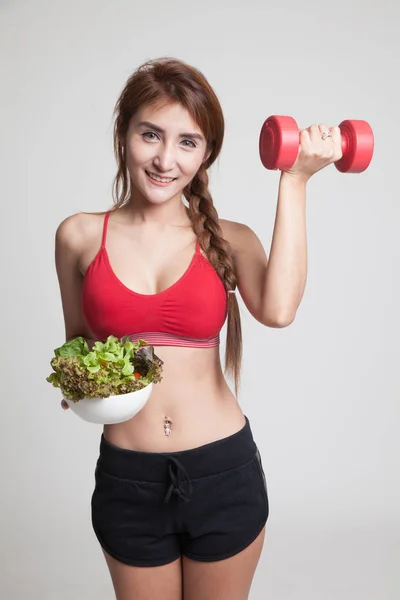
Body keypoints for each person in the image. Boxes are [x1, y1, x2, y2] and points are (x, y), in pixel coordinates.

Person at [54, 57, 342, 600]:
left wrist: (295, 179)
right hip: (128, 480)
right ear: (124, 134)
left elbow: (279, 310)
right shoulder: (78, 236)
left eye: (188, 142)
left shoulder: (228, 238)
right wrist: (80, 385)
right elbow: (78, 346)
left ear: (206, 154)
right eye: (150, 135)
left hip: (221, 471)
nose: (166, 159)